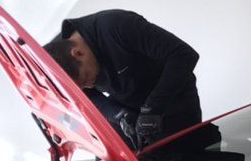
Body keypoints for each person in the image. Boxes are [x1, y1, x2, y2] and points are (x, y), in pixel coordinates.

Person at [44, 10, 201, 147]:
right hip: (128, 109)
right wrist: (118, 115)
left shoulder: (116, 26)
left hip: (171, 98)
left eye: (86, 79)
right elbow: (87, 95)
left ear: (78, 53)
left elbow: (183, 55)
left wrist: (153, 108)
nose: (90, 86)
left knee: (188, 154)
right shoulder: (56, 59)